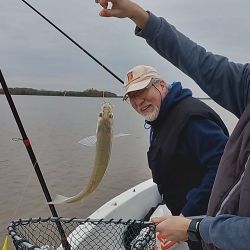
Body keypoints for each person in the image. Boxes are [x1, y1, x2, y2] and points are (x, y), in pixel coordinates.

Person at [96, 1, 250, 250]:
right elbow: (199, 61)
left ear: (162, 86)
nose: (138, 101)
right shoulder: (162, 117)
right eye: (132, 97)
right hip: (194, 224)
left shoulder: (191, 118)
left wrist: (189, 221)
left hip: (204, 224)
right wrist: (139, 16)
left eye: (142, 91)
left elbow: (218, 165)